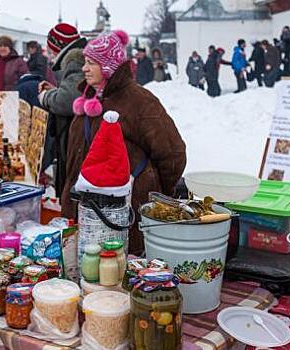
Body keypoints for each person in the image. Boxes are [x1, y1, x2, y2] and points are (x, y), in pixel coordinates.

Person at [62, 29, 186, 255]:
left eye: (91, 63)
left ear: (108, 67)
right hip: (86, 208)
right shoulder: (89, 99)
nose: (84, 68)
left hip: (126, 211)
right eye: (85, 62)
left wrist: (155, 192)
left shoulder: (140, 101)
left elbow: (173, 153)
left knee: (119, 272)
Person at [38, 22, 87, 200]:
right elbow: (73, 90)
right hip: (75, 131)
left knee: (72, 182)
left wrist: (46, 96)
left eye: (51, 49)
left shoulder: (75, 59)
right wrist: (55, 90)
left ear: (58, 45)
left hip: (75, 133)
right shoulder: (77, 57)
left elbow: (68, 101)